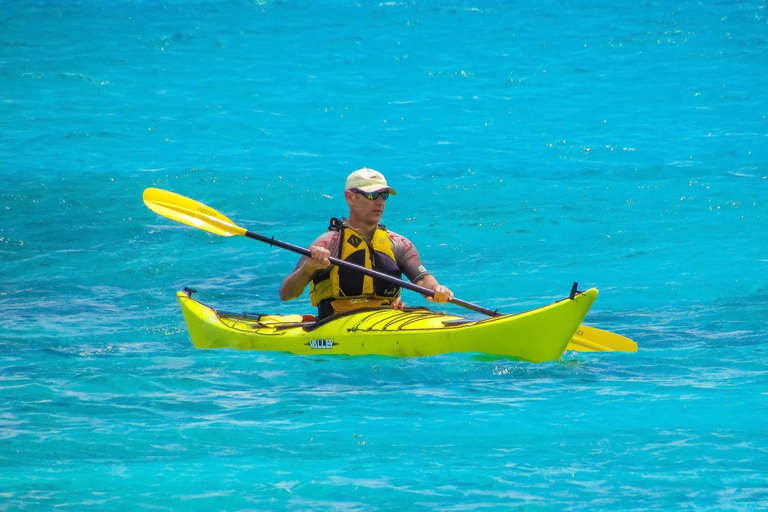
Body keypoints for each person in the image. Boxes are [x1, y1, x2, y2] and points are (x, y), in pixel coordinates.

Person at [280, 168, 454, 319]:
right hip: (336, 324)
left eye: (384, 196)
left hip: (386, 320)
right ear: (350, 197)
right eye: (371, 195)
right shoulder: (327, 244)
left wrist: (436, 288)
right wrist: (308, 268)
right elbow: (287, 294)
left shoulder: (399, 244)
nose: (380, 202)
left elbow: (422, 278)